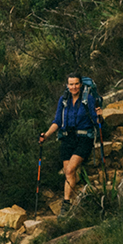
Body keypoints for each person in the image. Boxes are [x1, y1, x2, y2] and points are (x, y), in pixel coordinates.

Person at [38, 74, 99, 205]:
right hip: (67, 138)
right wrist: (47, 135)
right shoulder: (63, 100)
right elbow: (57, 121)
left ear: (81, 84)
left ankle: (66, 204)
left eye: (76, 84)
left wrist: (100, 117)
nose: (74, 87)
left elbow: (96, 120)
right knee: (68, 173)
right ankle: (76, 202)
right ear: (67, 85)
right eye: (71, 84)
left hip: (84, 138)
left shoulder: (88, 99)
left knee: (70, 169)